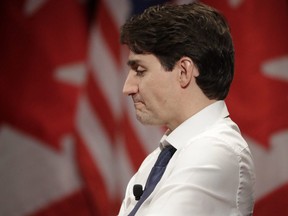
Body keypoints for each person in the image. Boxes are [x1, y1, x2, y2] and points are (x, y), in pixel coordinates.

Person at [118, 2, 255, 216]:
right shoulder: (157, 159)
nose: (128, 88)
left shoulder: (216, 150)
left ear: (183, 71)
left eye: (140, 70)